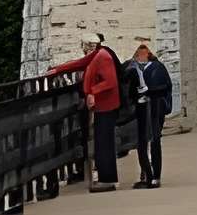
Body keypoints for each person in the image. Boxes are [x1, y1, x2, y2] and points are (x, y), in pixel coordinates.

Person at [49, 35, 122, 189]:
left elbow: (111, 81)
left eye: (84, 45)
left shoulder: (103, 57)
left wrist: (92, 92)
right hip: (102, 105)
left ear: (90, 45)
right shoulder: (97, 55)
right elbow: (79, 64)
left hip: (106, 105)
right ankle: (105, 177)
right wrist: (57, 70)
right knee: (101, 142)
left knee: (104, 143)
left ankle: (107, 180)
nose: (83, 49)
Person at [130, 39, 172, 188]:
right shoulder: (142, 69)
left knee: (152, 141)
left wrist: (146, 92)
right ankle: (148, 174)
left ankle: (153, 176)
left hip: (154, 109)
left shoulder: (156, 68)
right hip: (149, 109)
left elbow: (163, 88)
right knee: (147, 142)